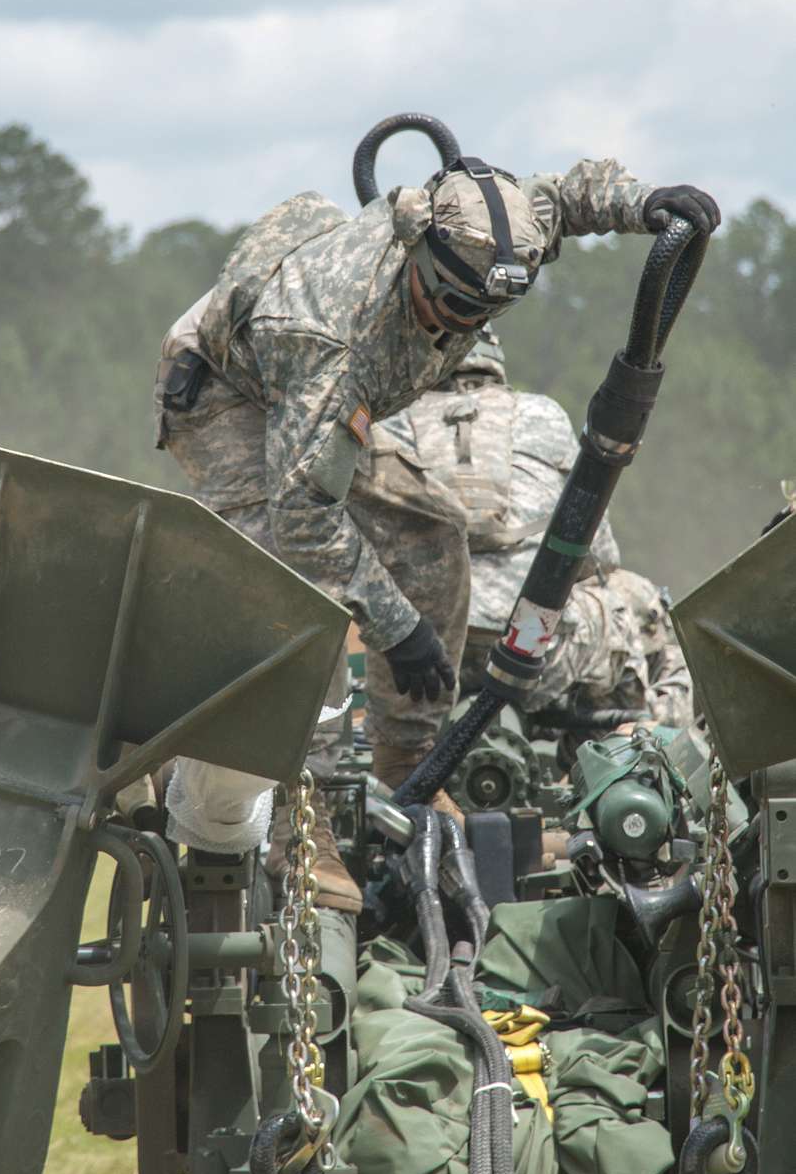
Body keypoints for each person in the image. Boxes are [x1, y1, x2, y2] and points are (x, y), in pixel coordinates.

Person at [155, 157, 717, 909]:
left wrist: (644, 202)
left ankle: (412, 760)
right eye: (450, 305)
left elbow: (561, 198)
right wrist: (396, 631)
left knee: (433, 540)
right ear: (417, 254)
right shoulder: (325, 337)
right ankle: (301, 822)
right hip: (232, 392)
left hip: (328, 398)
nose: (462, 327)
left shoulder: (491, 243)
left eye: (481, 315)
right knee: (295, 596)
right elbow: (303, 522)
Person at [363, 331, 694, 777]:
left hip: (420, 657)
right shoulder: (543, 415)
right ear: (495, 361)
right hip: (535, 650)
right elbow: (599, 557)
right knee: (642, 604)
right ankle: (614, 766)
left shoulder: (386, 420)